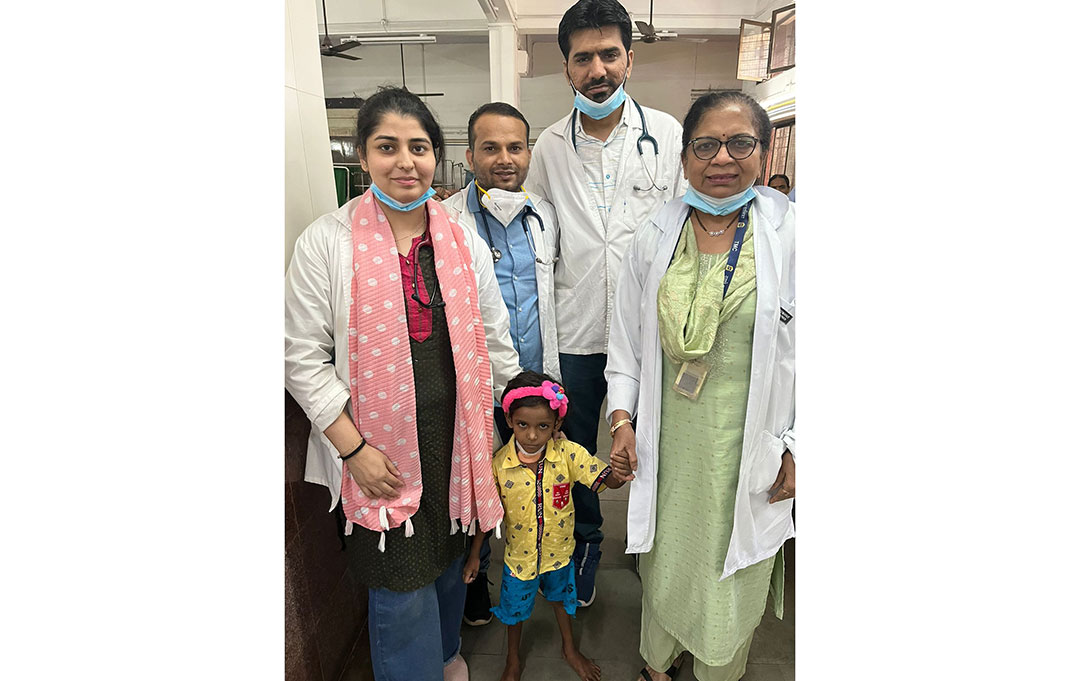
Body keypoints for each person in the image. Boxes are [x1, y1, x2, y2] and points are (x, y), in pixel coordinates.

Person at [285, 86, 521, 681]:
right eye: (387, 147)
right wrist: (354, 451)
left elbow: (493, 335)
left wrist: (516, 408)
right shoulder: (327, 242)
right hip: (377, 446)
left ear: (436, 156)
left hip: (457, 436)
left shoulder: (460, 238)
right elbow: (301, 358)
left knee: (447, 563)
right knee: (398, 580)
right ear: (363, 156)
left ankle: (445, 659)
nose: (405, 161)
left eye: (419, 147)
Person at [606, 91, 795, 681]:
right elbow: (627, 343)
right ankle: (659, 664)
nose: (722, 158)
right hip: (672, 442)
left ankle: (717, 666)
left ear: (764, 154)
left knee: (730, 569)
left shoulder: (795, 238)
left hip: (751, 441)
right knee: (669, 561)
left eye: (741, 143)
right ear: (684, 158)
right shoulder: (653, 236)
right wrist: (622, 420)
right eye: (705, 144)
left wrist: (803, 446)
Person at [527, 0, 686, 608]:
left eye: (609, 54)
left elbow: (682, 226)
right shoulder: (548, 146)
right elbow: (539, 232)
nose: (598, 68)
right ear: (566, 68)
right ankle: (588, 539)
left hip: (655, 330)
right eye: (583, 57)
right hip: (576, 328)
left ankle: (651, 541)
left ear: (629, 59)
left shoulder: (666, 134)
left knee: (657, 436)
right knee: (579, 447)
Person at [442, 102, 561, 626]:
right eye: (490, 147)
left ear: (529, 152)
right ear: (470, 155)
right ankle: (475, 583)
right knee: (477, 484)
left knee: (541, 480)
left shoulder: (544, 215)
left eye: (515, 147)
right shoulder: (447, 220)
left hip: (537, 382)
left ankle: (549, 571)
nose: (504, 158)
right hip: (478, 383)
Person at [463, 370, 628, 681]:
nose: (532, 435)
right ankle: (512, 659)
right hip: (519, 560)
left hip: (559, 554)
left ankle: (569, 649)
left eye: (543, 426)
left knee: (561, 600)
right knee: (514, 612)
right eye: (523, 424)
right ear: (509, 419)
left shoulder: (568, 455)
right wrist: (475, 555)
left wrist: (619, 473)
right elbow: (486, 515)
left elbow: (602, 479)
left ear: (557, 425)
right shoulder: (499, 465)